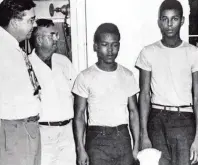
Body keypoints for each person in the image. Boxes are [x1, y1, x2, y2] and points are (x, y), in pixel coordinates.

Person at [135, 0, 198, 164]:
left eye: (174, 19)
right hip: (157, 119)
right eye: (165, 19)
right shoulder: (148, 52)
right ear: (159, 21)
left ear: (182, 21)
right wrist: (144, 134)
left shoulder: (193, 53)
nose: (169, 24)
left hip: (185, 120)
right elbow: (144, 95)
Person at [72, 23, 140, 165]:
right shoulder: (85, 77)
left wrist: (136, 145)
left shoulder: (127, 75)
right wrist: (80, 148)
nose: (110, 50)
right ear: (96, 46)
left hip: (123, 137)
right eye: (105, 44)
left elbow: (133, 112)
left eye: (114, 45)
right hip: (97, 139)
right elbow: (79, 115)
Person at [29, 19, 77, 165]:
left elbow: (75, 95)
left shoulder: (64, 62)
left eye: (56, 34)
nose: (57, 39)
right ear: (38, 39)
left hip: (68, 132)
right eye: (52, 35)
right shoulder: (27, 64)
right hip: (42, 132)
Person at [0, 0, 41, 165]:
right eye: (30, 20)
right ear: (15, 21)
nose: (35, 24)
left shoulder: (12, 47)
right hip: (16, 129)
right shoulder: (3, 49)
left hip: (25, 127)